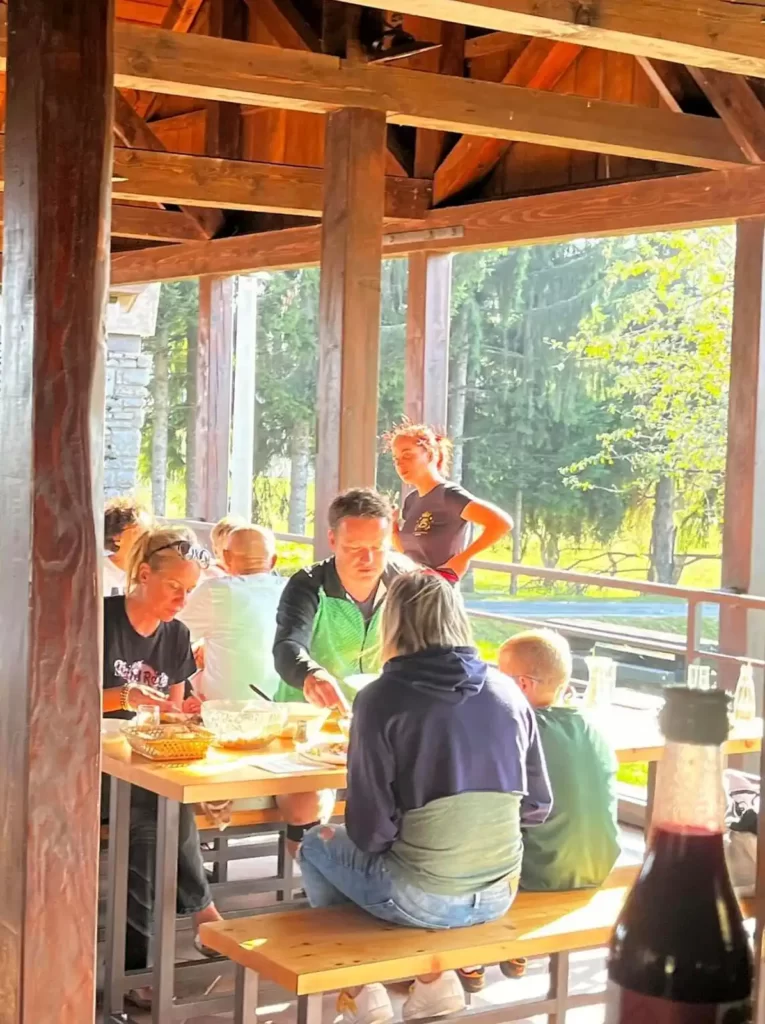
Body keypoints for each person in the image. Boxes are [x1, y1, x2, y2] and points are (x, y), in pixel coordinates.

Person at [298, 571, 552, 1024]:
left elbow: (371, 831)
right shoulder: (509, 692)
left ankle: (361, 985)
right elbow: (536, 807)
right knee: (394, 866)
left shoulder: (380, 698)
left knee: (318, 843)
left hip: (421, 894)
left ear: (391, 623)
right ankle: (433, 983)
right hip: (500, 889)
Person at [101, 526, 222, 1007]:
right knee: (156, 814)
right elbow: (59, 697)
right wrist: (123, 696)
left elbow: (171, 713)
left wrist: (187, 714)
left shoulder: (176, 636)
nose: (182, 599)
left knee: (161, 809)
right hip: (90, 764)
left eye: (190, 591)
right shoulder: (100, 620)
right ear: (144, 575)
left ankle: (133, 971)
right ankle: (202, 913)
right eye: (175, 587)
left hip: (144, 762)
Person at [493, 629, 620, 984]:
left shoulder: (518, 730)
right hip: (598, 868)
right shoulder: (593, 726)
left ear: (522, 685)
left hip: (537, 876)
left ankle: (451, 965)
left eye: (496, 674)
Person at [273, 487, 410, 709]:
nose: (367, 559)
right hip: (307, 715)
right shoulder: (308, 585)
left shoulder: (405, 583)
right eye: (354, 548)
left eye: (377, 548)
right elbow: (288, 645)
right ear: (332, 540)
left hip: (375, 711)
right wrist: (310, 674)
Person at [387, 421, 513, 579]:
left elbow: (502, 523)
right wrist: (393, 527)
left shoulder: (449, 495)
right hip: (412, 589)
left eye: (407, 455)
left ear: (430, 454)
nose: (400, 463)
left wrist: (463, 558)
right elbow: (407, 550)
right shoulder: (411, 500)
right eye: (395, 459)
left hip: (440, 592)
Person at [180, 524, 284, 701]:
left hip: (220, 710)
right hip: (282, 704)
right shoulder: (291, 589)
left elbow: (170, 637)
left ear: (225, 557)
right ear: (273, 561)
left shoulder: (216, 591)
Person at [103, 496, 151, 596]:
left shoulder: (150, 573)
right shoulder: (97, 572)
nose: (147, 537)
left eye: (149, 531)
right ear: (116, 537)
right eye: (139, 531)